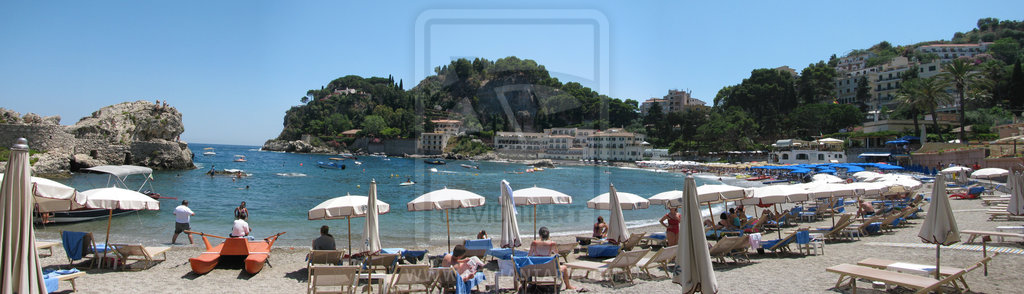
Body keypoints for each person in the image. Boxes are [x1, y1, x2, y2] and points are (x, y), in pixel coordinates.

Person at [528, 227, 581, 292]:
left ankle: (527, 285)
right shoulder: (551, 243)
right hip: (549, 269)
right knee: (564, 268)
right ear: (548, 235)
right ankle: (568, 286)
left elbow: (529, 255)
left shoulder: (534, 243)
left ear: (539, 235)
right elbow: (557, 253)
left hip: (536, 270)